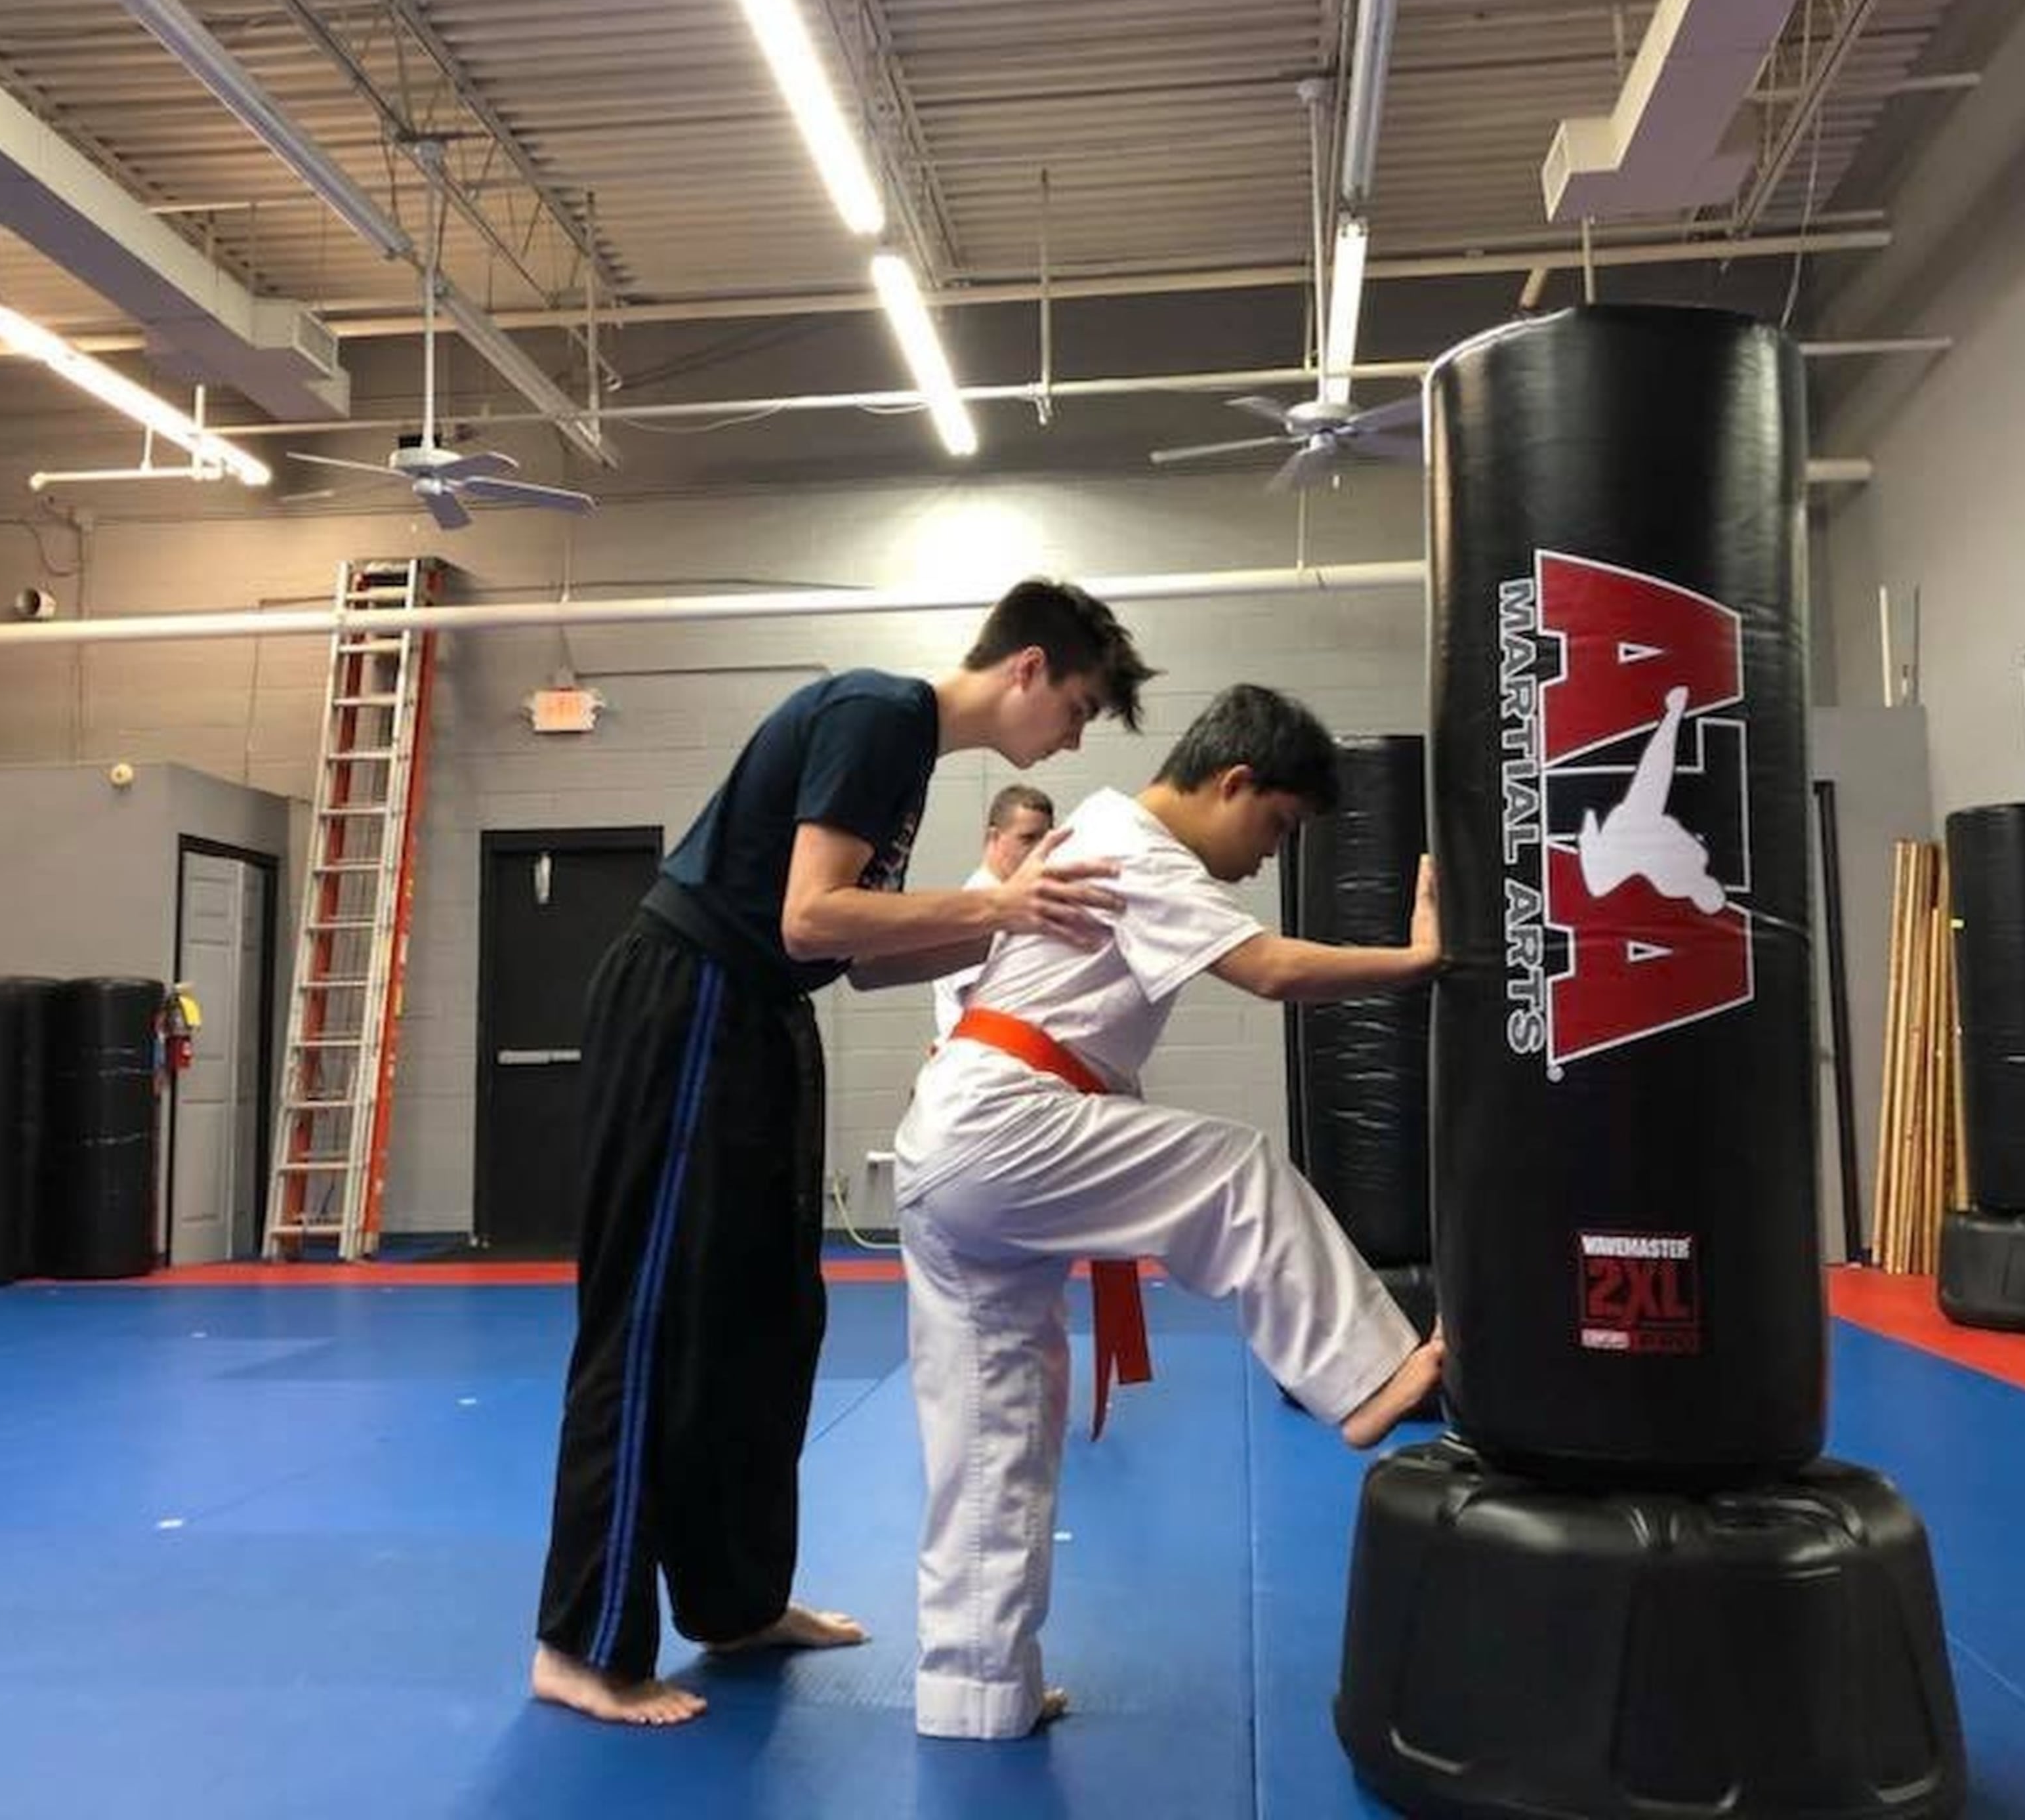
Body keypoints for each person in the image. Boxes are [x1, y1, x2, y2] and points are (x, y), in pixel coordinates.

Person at [530, 578, 1159, 1728]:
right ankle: (581, 1645)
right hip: (691, 1003)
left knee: (771, 1322)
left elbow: (862, 961)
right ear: (1026, 668)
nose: (1073, 739)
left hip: (766, 1013)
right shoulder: (878, 712)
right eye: (1076, 709)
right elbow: (811, 918)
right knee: (657, 1323)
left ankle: (735, 1601)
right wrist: (1004, 907)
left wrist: (1016, 929)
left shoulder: (905, 757)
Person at [891, 684, 1444, 1741]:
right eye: (1276, 826)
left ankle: (977, 1693)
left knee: (994, 1433)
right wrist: (1415, 965)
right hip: (1003, 1126)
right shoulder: (1139, 850)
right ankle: (1366, 1377)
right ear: (1233, 783)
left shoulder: (1099, 833)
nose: (1270, 856)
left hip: (957, 1143)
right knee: (1237, 1171)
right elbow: (1270, 970)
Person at [930, 784, 1058, 1040]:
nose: (1039, 851)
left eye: (1045, 840)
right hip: (983, 1052)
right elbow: (988, 1004)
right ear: (994, 838)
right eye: (1028, 839)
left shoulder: (1014, 903)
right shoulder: (978, 908)